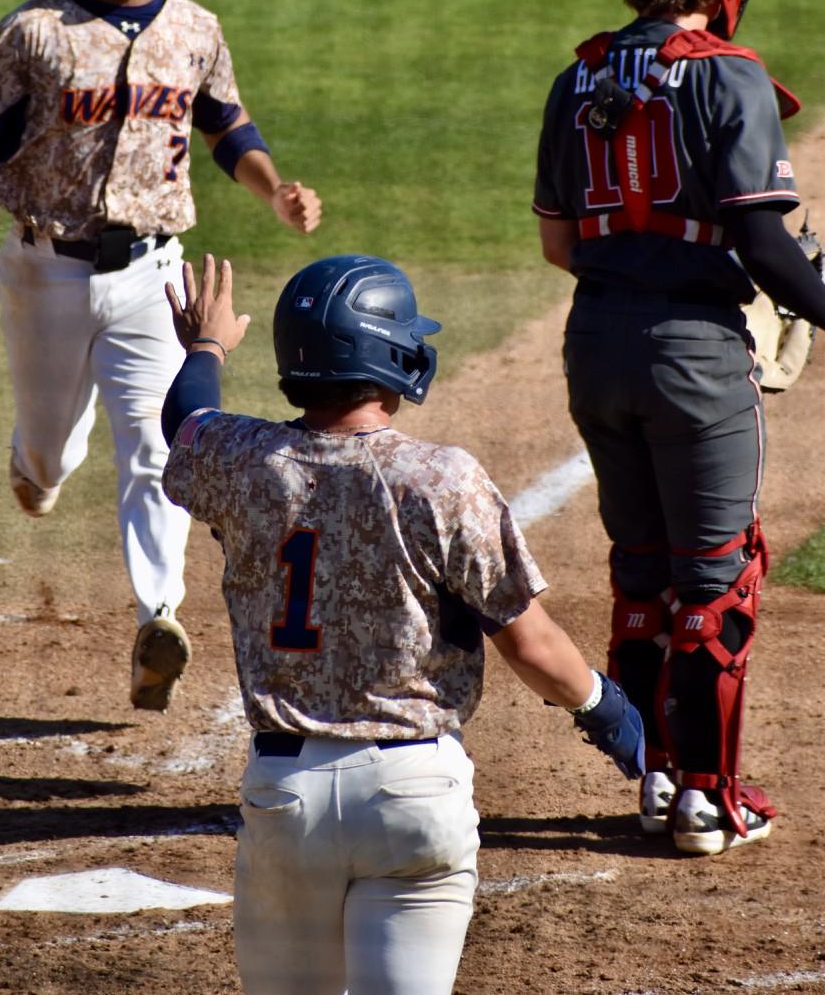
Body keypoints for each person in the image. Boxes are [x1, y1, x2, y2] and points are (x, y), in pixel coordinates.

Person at [160, 252, 644, 995]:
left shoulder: (241, 460)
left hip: (285, 797)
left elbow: (183, 419)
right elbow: (530, 642)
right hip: (413, 794)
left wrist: (207, 344)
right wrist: (605, 711)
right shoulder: (440, 477)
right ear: (389, 354)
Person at [0, 0, 321, 711]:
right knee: (49, 445)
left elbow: (229, 128)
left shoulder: (195, 30)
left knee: (153, 447)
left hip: (153, 272)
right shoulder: (36, 32)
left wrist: (275, 193)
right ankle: (35, 464)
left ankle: (159, 616)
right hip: (46, 273)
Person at [533, 0, 825, 855]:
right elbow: (766, 248)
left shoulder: (574, 77)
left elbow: (561, 246)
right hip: (694, 358)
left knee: (643, 576)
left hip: (593, 346)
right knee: (715, 585)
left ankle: (657, 784)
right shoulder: (728, 73)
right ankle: (711, 801)